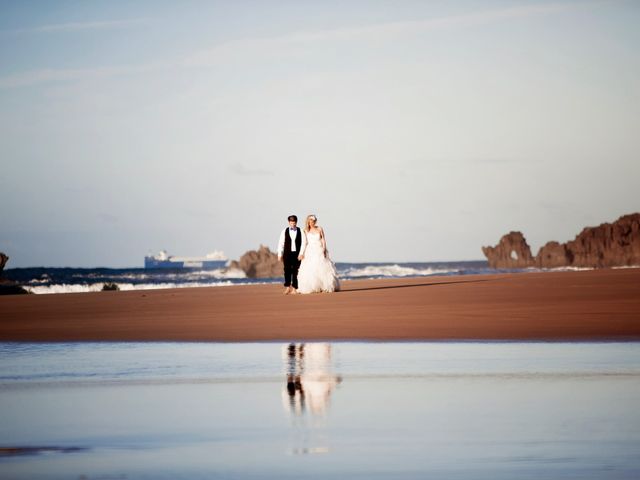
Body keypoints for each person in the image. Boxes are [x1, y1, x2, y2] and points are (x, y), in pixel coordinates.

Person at [297, 214, 340, 294]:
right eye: (310, 221)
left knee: (323, 269)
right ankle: (314, 287)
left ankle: (325, 287)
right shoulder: (305, 231)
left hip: (319, 250)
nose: (312, 223)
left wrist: (324, 249)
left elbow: (323, 239)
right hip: (310, 251)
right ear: (308, 222)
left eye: (313, 221)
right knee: (311, 269)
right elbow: (304, 243)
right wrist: (301, 253)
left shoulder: (320, 228)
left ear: (315, 221)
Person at [277, 215, 307, 295]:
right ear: (289, 222)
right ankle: (287, 287)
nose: (293, 224)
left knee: (295, 271)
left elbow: (303, 243)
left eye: (294, 222)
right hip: (287, 254)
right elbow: (281, 243)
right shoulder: (284, 231)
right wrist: (280, 254)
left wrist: (301, 253)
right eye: (291, 222)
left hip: (297, 254)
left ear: (296, 222)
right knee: (287, 270)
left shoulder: (301, 231)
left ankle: (294, 288)